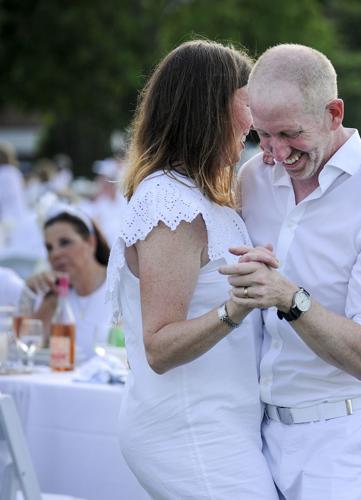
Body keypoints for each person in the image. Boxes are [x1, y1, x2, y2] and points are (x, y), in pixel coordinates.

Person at [221, 44, 361, 500]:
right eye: (263, 135)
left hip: (351, 438)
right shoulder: (254, 178)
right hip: (260, 436)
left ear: (334, 113)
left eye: (290, 134)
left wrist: (289, 298)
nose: (275, 152)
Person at [106, 40, 277, 499]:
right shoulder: (169, 203)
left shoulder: (203, 196)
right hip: (191, 431)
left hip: (220, 424)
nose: (254, 123)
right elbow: (159, 346)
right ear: (209, 109)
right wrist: (234, 309)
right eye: (246, 105)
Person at [25, 206, 112, 358]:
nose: (55, 254)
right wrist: (40, 298)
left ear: (90, 242)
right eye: (49, 248)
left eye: (65, 242)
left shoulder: (122, 285)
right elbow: (28, 351)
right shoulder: (55, 298)